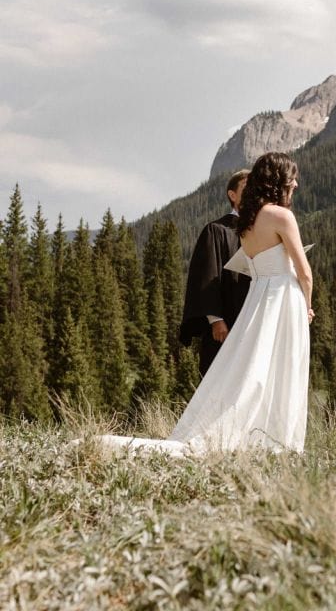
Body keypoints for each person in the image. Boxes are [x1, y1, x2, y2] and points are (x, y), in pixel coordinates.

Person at [97, 152, 314, 456]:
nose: (296, 183)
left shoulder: (246, 225)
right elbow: (304, 271)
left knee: (253, 368)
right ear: (278, 180)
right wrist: (307, 304)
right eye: (292, 178)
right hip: (283, 299)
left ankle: (262, 436)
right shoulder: (280, 217)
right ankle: (279, 440)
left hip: (259, 300)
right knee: (283, 365)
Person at [179, 169, 250, 376]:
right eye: (246, 188)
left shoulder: (260, 231)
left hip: (251, 316)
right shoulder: (217, 230)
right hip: (225, 321)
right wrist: (216, 320)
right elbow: (208, 276)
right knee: (220, 377)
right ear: (232, 195)